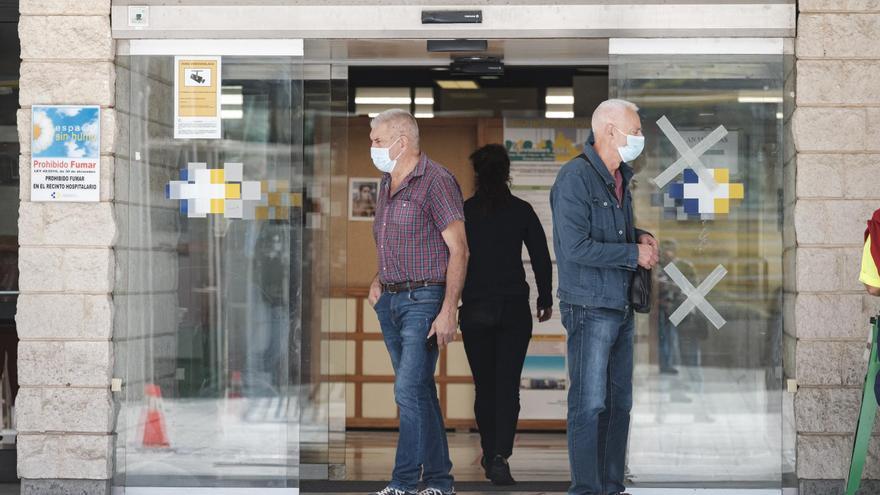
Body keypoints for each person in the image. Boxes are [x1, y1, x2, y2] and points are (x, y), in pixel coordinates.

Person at [550, 99, 659, 495]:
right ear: (609, 131)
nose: (640, 138)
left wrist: (638, 235)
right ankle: (586, 489)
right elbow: (576, 246)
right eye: (636, 130)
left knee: (619, 406)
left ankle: (611, 487)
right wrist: (632, 253)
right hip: (589, 307)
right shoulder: (574, 179)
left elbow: (609, 234)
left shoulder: (619, 178)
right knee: (589, 404)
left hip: (620, 306)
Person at [366, 109, 467, 495]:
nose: (372, 148)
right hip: (390, 301)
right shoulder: (385, 182)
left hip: (425, 300)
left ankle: (404, 483)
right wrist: (378, 278)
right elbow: (392, 239)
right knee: (419, 390)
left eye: (377, 141)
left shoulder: (436, 181)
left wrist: (448, 310)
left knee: (407, 391)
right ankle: (440, 481)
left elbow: (459, 250)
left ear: (401, 142)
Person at [459, 144, 553, 486]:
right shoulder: (521, 210)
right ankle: (500, 455)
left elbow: (452, 258)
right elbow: (541, 255)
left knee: (484, 387)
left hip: (475, 308)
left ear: (478, 174)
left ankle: (488, 450)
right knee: (507, 386)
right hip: (514, 308)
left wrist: (448, 301)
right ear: (507, 172)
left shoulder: (464, 211)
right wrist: (545, 298)